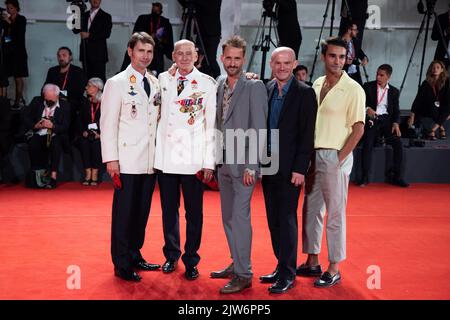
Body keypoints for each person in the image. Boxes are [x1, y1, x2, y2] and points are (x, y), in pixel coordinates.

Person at [299, 37, 365, 288]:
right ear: (323, 57)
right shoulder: (317, 83)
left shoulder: (354, 89)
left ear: (347, 58)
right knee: (311, 209)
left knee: (335, 213)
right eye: (332, 56)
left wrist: (339, 159)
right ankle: (312, 260)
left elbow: (358, 129)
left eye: (341, 57)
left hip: (336, 154)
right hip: (314, 154)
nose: (337, 61)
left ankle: (334, 266)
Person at [100, 32, 161, 282]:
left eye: (149, 52)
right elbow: (108, 124)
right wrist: (111, 159)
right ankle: (121, 262)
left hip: (149, 161)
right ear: (130, 52)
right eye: (140, 51)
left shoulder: (155, 83)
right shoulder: (117, 83)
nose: (145, 56)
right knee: (124, 214)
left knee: (141, 212)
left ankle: (135, 254)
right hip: (125, 160)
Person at [154, 39, 216, 280]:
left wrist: (209, 162)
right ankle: (171, 254)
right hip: (167, 157)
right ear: (173, 56)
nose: (184, 57)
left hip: (193, 159)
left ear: (197, 55)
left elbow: (211, 124)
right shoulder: (161, 79)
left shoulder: (207, 83)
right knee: (169, 210)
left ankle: (191, 258)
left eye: (188, 53)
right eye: (179, 54)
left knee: (194, 213)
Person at [209, 36, 267, 294]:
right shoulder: (220, 83)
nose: (232, 63)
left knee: (240, 218)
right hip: (223, 162)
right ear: (222, 58)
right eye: (228, 58)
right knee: (228, 218)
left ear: (244, 59)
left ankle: (244, 273)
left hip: (244, 164)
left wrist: (252, 166)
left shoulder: (254, 86)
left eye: (237, 59)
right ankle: (237, 261)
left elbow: (260, 127)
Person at [259, 47, 317, 294]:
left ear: (294, 64)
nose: (281, 67)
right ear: (271, 64)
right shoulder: (267, 88)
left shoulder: (305, 93)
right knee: (273, 221)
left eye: (286, 63)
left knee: (287, 219)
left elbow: (307, 135)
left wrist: (300, 168)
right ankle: (280, 264)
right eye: (277, 63)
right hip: (268, 164)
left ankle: (288, 273)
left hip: (290, 168)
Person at [358, 64, 409, 187]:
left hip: (387, 121)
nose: (378, 77)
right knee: (368, 142)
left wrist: (396, 123)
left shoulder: (394, 91)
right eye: (377, 74)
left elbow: (396, 111)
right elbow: (359, 103)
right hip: (372, 118)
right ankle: (364, 177)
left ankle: (397, 177)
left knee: (398, 143)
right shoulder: (368, 86)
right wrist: (367, 109)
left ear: (388, 77)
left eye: (382, 75)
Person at [22, 84, 71, 189]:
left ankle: (53, 176)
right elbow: (25, 117)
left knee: (56, 144)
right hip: (39, 132)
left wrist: (53, 125)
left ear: (57, 96)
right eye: (46, 99)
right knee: (33, 144)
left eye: (51, 100)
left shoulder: (65, 106)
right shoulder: (37, 101)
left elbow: (66, 126)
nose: (48, 101)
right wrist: (35, 125)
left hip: (55, 134)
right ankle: (37, 175)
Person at [44, 46, 87, 140]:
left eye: (64, 55)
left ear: (70, 57)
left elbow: (80, 91)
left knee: (65, 108)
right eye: (59, 56)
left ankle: (65, 138)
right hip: (54, 101)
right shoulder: (52, 71)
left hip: (70, 102)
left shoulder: (77, 71)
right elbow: (45, 88)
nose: (61, 58)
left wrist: (63, 98)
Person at [120, 2, 174, 76]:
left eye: (157, 10)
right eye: (154, 10)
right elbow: (135, 35)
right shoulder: (142, 19)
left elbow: (169, 41)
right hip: (141, 46)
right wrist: (149, 36)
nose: (155, 12)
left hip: (157, 51)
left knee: (157, 73)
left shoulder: (165, 23)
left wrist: (161, 40)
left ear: (161, 11)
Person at [178, 0, 222, 79]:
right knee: (199, 59)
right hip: (200, 31)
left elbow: (209, 5)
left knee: (210, 59)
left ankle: (218, 82)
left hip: (212, 32)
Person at [408, 60, 449, 140]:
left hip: (443, 107)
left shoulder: (447, 82)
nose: (435, 69)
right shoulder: (426, 83)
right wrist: (412, 115)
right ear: (430, 70)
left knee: (446, 108)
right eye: (433, 68)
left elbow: (448, 101)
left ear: (442, 70)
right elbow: (417, 100)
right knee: (432, 106)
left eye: (438, 67)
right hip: (429, 108)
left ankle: (433, 129)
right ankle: (440, 128)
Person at [73, 0, 112, 82]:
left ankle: (101, 95)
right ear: (89, 1)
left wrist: (89, 35)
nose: (95, 1)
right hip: (85, 53)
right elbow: (75, 30)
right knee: (87, 80)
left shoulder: (106, 16)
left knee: (99, 80)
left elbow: (106, 33)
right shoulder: (84, 15)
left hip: (99, 55)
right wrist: (76, 13)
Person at [0, 0, 28, 109]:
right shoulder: (7, 20)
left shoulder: (21, 19)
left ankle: (18, 102)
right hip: (8, 53)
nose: (8, 10)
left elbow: (19, 34)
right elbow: (7, 37)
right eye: (7, 8)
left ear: (16, 8)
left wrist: (9, 23)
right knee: (6, 77)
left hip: (19, 53)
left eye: (10, 8)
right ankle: (4, 101)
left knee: (18, 78)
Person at [79, 77, 103, 186]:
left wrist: (101, 134)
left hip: (100, 133)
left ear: (97, 88)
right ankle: (87, 172)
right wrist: (83, 131)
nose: (86, 88)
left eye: (89, 86)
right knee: (83, 143)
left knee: (96, 145)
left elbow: (108, 120)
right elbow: (79, 119)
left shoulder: (104, 102)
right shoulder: (84, 102)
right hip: (87, 132)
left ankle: (95, 173)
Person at [341, 22, 368, 86]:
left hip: (355, 73)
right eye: (355, 30)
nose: (357, 32)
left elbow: (360, 52)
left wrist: (364, 58)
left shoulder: (354, 41)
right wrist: (344, 61)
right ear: (349, 30)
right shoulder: (340, 42)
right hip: (344, 73)